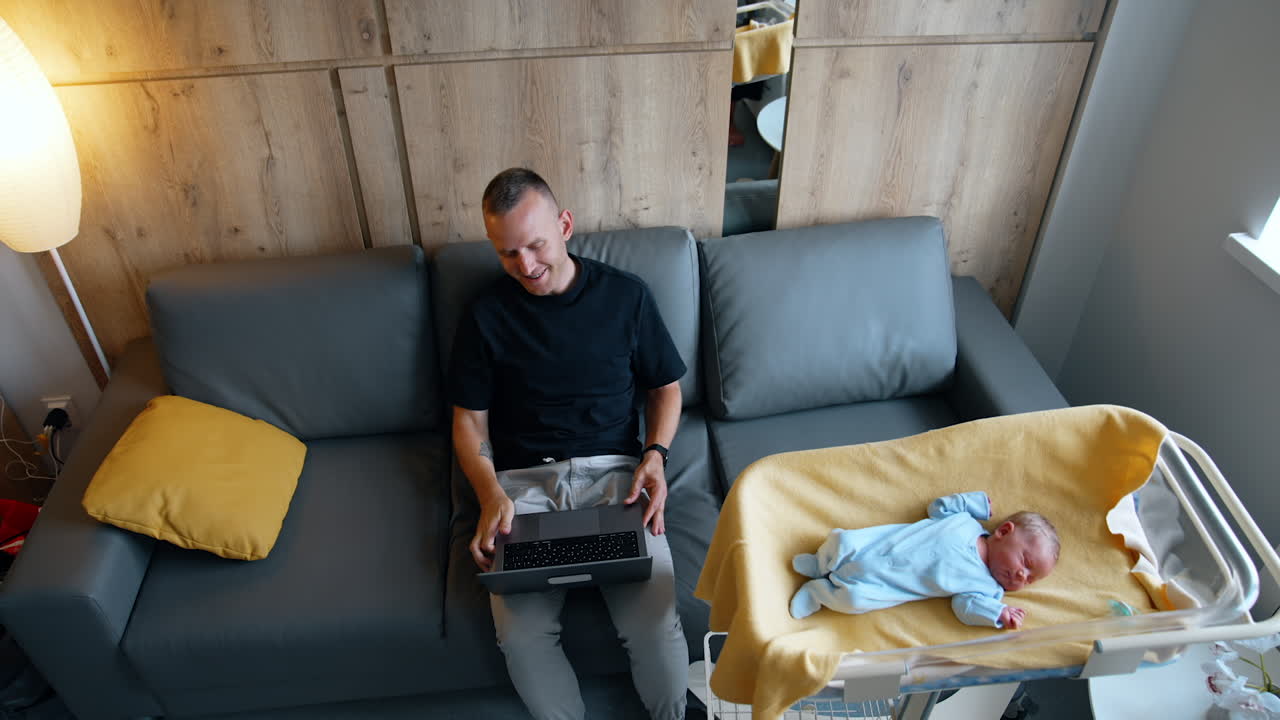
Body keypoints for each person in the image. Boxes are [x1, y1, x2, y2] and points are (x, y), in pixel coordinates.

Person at [448, 167, 688, 720]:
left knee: (652, 625)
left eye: (535, 245)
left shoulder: (626, 297)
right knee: (524, 637)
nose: (526, 266)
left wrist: (656, 456)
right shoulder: (486, 314)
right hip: (522, 490)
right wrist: (489, 494)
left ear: (565, 224)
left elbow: (666, 389)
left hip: (616, 479)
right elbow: (468, 421)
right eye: (508, 254)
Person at [789, 491, 1058, 629]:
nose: (1023, 576)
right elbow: (938, 507)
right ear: (1003, 531)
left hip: (888, 586)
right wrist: (974, 502)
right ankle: (818, 564)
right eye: (1025, 562)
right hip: (880, 545)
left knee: (853, 600)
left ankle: (818, 593)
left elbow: (964, 608)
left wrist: (997, 613)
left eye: (1031, 579)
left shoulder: (987, 589)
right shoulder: (965, 522)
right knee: (842, 542)